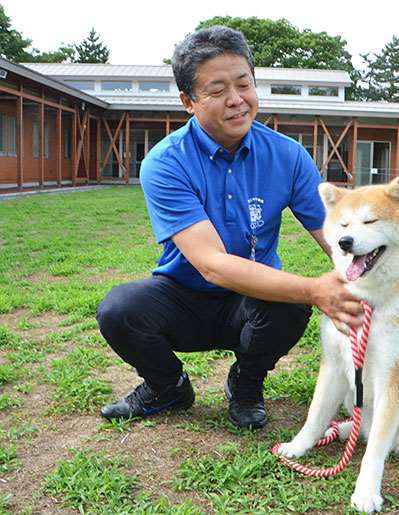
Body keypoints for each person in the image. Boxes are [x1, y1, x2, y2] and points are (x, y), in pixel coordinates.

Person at [96, 26, 362, 430]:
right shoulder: (166, 163)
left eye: (244, 84)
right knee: (120, 309)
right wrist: (314, 289)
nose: (237, 100)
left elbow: (335, 236)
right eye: (218, 90)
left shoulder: (287, 156)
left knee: (289, 304)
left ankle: (247, 384)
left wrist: (366, 280)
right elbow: (212, 265)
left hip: (254, 298)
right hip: (184, 296)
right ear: (189, 101)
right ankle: (166, 387)